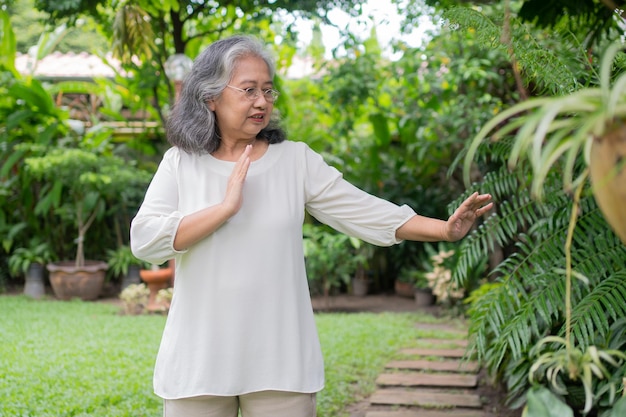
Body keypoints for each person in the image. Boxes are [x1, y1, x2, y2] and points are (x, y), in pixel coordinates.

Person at [130, 34, 493, 417]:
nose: (261, 101)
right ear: (211, 97)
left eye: (268, 90)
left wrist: (444, 230)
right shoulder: (181, 163)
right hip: (197, 362)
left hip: (280, 362)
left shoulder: (295, 162)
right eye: (249, 89)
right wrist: (223, 209)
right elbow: (146, 239)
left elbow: (362, 210)